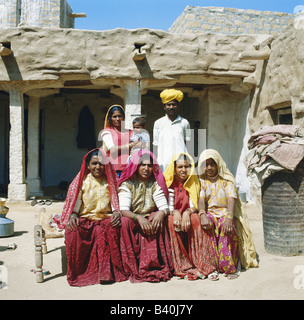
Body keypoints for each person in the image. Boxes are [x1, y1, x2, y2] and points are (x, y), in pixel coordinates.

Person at [56, 148, 127, 286]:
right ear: (88, 165)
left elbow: (115, 202)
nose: (98, 167)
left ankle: (107, 273)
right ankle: (80, 272)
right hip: (86, 218)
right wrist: (73, 214)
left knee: (113, 229)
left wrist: (117, 212)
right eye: (94, 163)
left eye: (101, 164)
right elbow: (76, 202)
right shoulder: (82, 182)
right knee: (72, 232)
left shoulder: (111, 181)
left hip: (106, 218)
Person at [198, 149, 259, 280]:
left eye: (212, 164)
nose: (209, 168)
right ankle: (211, 267)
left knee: (226, 228)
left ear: (218, 164)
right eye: (206, 164)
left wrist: (229, 218)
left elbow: (231, 199)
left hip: (226, 213)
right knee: (205, 227)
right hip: (211, 213)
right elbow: (201, 200)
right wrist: (202, 214)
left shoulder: (227, 179)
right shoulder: (202, 181)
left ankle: (229, 266)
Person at [118, 149, 173, 283]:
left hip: (149, 217)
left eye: (149, 165)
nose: (146, 168)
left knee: (160, 219)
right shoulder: (128, 183)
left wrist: (161, 213)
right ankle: (132, 266)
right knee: (124, 222)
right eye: (143, 165)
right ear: (136, 166)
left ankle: (155, 263)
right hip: (133, 218)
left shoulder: (154, 184)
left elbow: (163, 206)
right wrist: (138, 218)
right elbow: (124, 209)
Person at [164, 153, 218, 281]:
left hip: (188, 215)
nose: (184, 170)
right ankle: (182, 264)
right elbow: (167, 206)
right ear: (174, 168)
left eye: (187, 166)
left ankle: (203, 263)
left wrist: (187, 213)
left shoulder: (193, 182)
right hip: (174, 215)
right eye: (180, 167)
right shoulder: (169, 182)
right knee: (171, 221)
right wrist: (176, 212)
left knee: (195, 219)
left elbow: (195, 205)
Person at [153, 89, 191, 172]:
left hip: (180, 163)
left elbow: (188, 143)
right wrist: (155, 162)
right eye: (168, 105)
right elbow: (156, 145)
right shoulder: (158, 123)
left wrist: (188, 161)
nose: (171, 107)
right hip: (163, 162)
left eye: (174, 104)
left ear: (178, 105)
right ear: (164, 106)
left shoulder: (184, 122)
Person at [100, 105, 140, 177]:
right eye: (114, 116)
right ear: (110, 118)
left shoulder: (131, 132)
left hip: (130, 168)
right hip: (114, 169)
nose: (117, 119)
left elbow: (138, 147)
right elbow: (113, 150)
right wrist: (131, 145)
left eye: (119, 116)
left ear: (123, 117)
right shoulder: (107, 132)